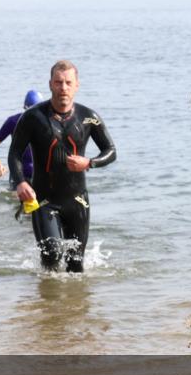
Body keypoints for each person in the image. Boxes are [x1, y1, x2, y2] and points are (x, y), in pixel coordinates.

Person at [9, 60, 116, 273]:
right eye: (58, 82)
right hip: (44, 200)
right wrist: (21, 182)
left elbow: (111, 151)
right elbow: (14, 154)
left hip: (77, 200)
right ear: (50, 84)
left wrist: (89, 163)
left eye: (68, 82)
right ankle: (47, 303)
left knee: (76, 264)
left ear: (77, 85)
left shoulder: (89, 118)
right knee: (52, 255)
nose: (63, 88)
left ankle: (73, 306)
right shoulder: (32, 117)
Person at [0, 90, 44, 187]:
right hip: (18, 176)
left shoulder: (48, 124)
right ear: (25, 109)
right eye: (30, 112)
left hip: (41, 177)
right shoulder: (13, 122)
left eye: (37, 112)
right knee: (18, 199)